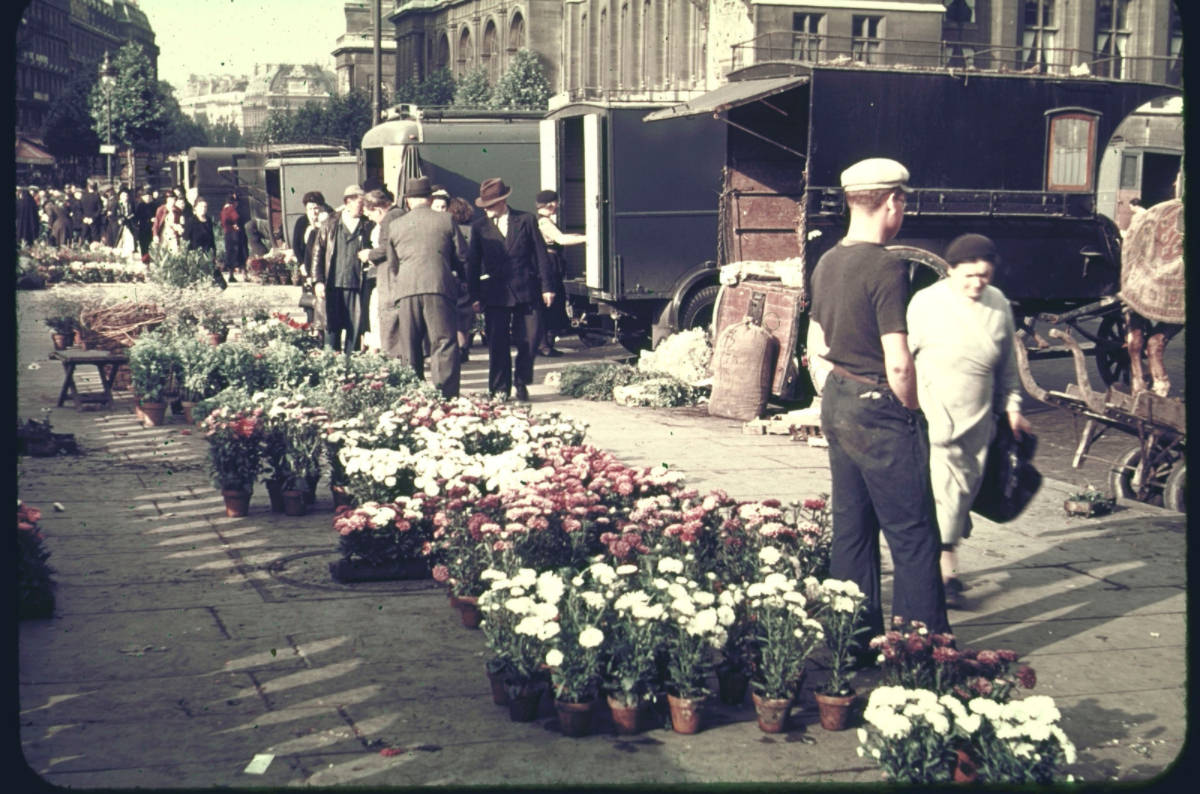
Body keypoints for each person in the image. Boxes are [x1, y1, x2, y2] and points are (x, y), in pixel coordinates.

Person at [806, 157, 951, 639]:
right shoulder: (887, 267)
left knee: (852, 530)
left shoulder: (827, 261)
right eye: (902, 201)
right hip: (880, 410)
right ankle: (920, 646)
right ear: (892, 202)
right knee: (913, 535)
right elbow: (899, 361)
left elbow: (817, 342)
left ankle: (851, 638)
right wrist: (911, 408)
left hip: (839, 401)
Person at [906, 233, 1031, 607]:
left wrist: (1012, 407)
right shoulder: (926, 303)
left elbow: (1008, 366)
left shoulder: (999, 305)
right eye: (969, 275)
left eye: (985, 275)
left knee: (961, 495)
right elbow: (905, 358)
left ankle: (944, 560)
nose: (977, 283)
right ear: (950, 270)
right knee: (945, 493)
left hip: (980, 422)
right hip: (935, 414)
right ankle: (945, 576)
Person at [466, 177, 555, 402]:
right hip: (494, 293)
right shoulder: (479, 228)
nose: (486, 211)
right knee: (497, 342)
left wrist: (547, 287)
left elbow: (540, 255)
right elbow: (473, 263)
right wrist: (474, 296)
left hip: (527, 289)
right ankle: (499, 388)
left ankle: (521, 381)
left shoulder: (525, 220)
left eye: (490, 206)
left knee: (531, 339)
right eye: (483, 207)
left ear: (502, 202)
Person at [378, 177, 466, 397]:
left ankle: (413, 395)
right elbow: (462, 255)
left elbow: (393, 263)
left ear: (407, 201)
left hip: (406, 290)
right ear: (430, 199)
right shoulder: (446, 220)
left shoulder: (395, 225)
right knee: (443, 342)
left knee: (409, 345)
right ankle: (445, 395)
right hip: (439, 287)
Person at [312, 184, 375, 354]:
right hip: (333, 286)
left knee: (354, 331)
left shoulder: (367, 225)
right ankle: (331, 368)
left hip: (356, 286)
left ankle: (351, 370)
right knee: (331, 330)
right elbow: (317, 253)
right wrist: (318, 281)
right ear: (348, 202)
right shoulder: (330, 223)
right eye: (360, 203)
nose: (363, 208)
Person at [534, 189, 585, 356]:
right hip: (550, 264)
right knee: (552, 303)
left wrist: (579, 235)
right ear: (550, 204)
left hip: (551, 263)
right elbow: (561, 239)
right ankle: (545, 346)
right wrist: (587, 238)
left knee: (551, 304)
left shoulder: (543, 221)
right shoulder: (544, 223)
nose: (558, 205)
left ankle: (546, 345)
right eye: (556, 202)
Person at [360, 188, 407, 353]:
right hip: (393, 275)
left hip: (390, 277)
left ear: (378, 209)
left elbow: (387, 247)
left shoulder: (390, 218)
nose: (370, 218)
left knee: (389, 316)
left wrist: (369, 254)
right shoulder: (397, 214)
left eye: (369, 214)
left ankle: (393, 356)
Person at [446, 196, 478, 362]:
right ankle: (464, 347)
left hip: (451, 275)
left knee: (451, 314)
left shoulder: (448, 229)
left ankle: (456, 349)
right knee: (465, 315)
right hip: (468, 275)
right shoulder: (473, 230)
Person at [182, 197, 226, 289]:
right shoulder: (191, 221)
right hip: (195, 251)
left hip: (208, 250)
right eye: (201, 207)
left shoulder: (208, 220)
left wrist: (214, 251)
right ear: (195, 208)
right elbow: (185, 238)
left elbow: (211, 237)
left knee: (220, 282)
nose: (203, 209)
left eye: (205, 207)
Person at [219, 192, 244, 282]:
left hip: (227, 233)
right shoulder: (231, 209)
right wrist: (235, 224)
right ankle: (242, 274)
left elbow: (223, 222)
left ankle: (231, 274)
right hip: (234, 234)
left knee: (229, 253)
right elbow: (236, 218)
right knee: (238, 253)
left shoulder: (223, 210)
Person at [134, 186, 157, 259]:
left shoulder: (154, 205)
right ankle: (144, 258)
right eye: (146, 196)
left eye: (149, 196)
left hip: (152, 228)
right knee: (144, 245)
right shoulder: (140, 205)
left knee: (152, 245)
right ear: (143, 197)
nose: (147, 198)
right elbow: (137, 217)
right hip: (143, 228)